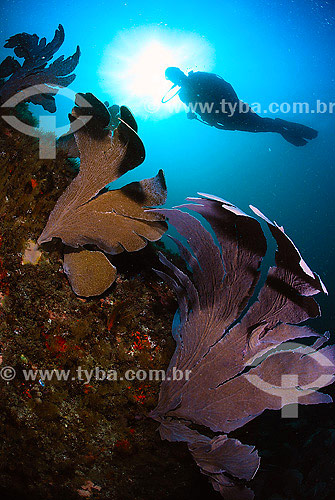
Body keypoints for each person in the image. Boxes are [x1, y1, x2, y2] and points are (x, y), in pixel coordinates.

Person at [164, 67, 318, 146]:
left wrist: (233, 103)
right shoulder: (182, 95)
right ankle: (282, 127)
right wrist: (191, 113)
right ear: (172, 81)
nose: (177, 78)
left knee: (262, 125)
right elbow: (195, 106)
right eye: (173, 77)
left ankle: (283, 127)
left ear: (180, 71)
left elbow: (225, 85)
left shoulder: (199, 76)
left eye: (176, 74)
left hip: (234, 110)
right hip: (225, 120)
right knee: (260, 127)